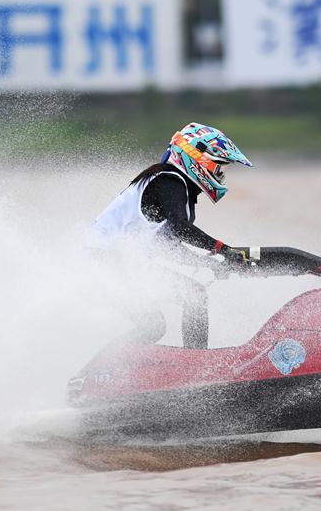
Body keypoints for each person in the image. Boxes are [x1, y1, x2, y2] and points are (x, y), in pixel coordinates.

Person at [85, 122, 256, 349]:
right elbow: (180, 229)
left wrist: (208, 264)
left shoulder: (176, 185)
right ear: (198, 159)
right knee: (194, 294)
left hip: (109, 260)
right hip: (106, 260)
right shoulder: (169, 180)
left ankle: (101, 373)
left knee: (152, 327)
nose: (220, 175)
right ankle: (195, 367)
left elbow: (162, 244)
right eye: (219, 167)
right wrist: (225, 250)